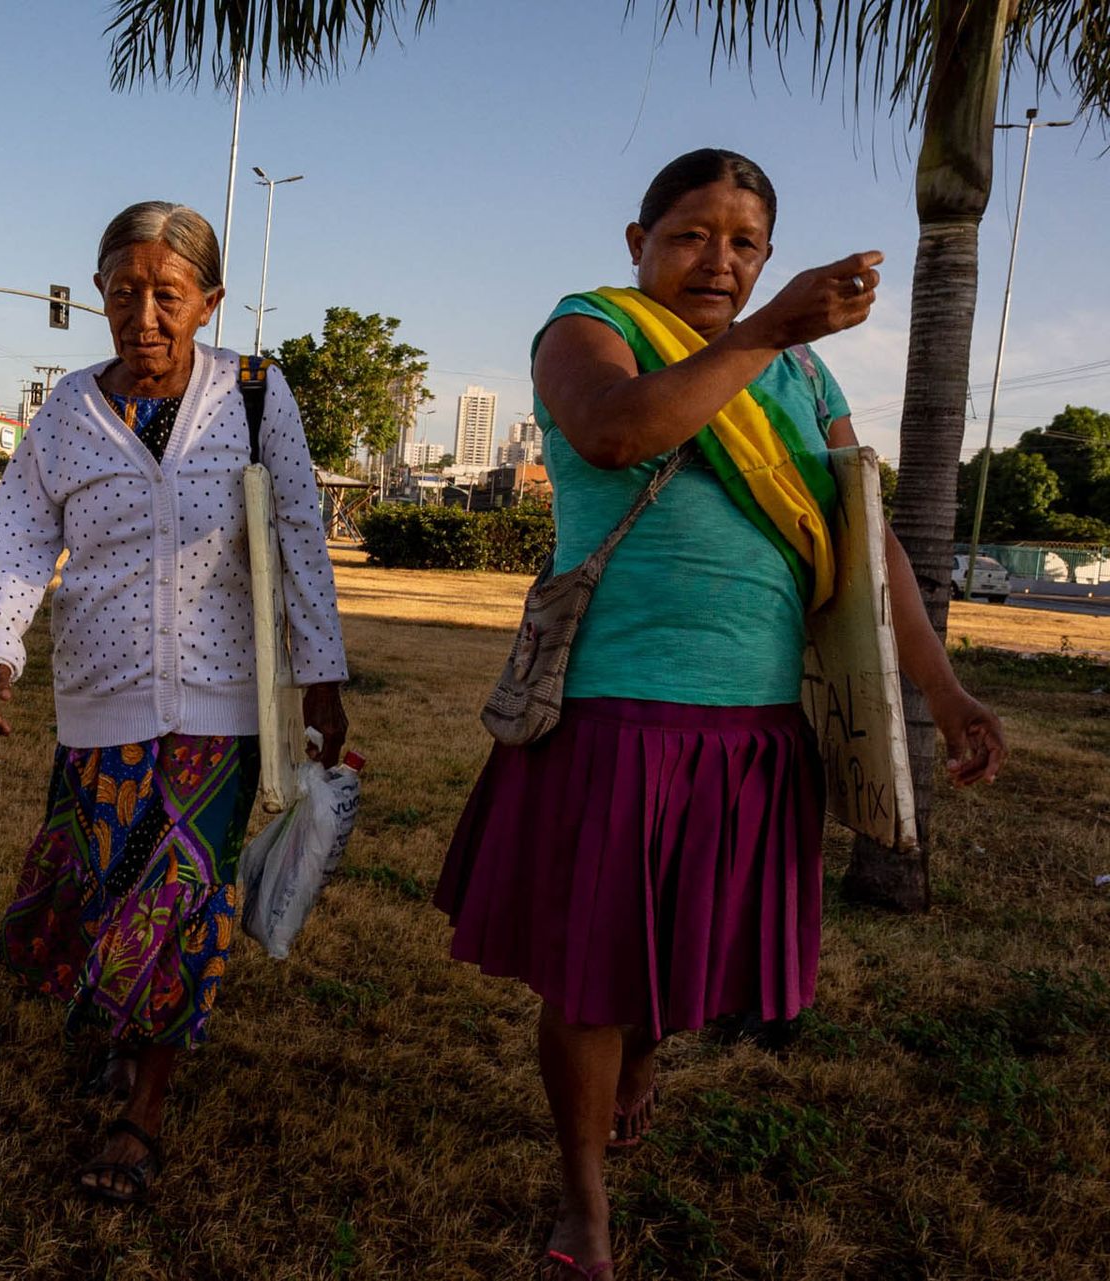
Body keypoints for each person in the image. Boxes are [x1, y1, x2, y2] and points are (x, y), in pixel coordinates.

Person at [432, 148, 1007, 1280]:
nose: (719, 259)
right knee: (592, 974)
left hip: (755, 732)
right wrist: (759, 337)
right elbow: (613, 432)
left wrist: (942, 689)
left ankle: (644, 1068)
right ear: (637, 241)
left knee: (683, 956)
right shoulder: (589, 329)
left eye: (745, 244)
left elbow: (867, 536)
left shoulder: (808, 384)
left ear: (769, 260)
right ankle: (583, 1199)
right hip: (614, 714)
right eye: (693, 234)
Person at [0, 200, 349, 1203]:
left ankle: (145, 1109)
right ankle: (128, 1033)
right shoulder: (64, 413)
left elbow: (299, 533)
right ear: (97, 292)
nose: (144, 315)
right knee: (108, 882)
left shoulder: (257, 396)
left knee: (179, 895)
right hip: (102, 693)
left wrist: (324, 674)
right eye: (123, 292)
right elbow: (14, 535)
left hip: (223, 702)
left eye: (167, 296)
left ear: (208, 302)